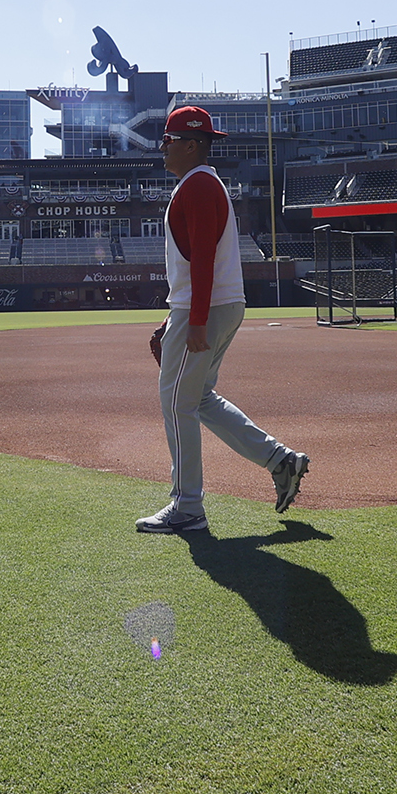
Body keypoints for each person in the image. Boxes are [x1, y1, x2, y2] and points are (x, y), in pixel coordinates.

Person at [135, 105, 310, 536]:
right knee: (198, 399)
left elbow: (203, 262)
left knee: (178, 404)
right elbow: (199, 259)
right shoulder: (204, 184)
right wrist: (176, 317)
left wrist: (192, 321)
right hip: (219, 305)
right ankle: (280, 460)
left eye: (169, 139)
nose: (163, 146)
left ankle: (187, 506)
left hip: (208, 308)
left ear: (191, 145)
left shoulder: (196, 187)